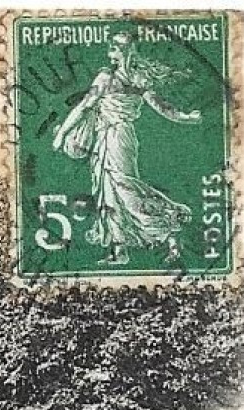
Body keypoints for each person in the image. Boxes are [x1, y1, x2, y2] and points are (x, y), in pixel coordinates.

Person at [51, 32, 202, 266]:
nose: (111, 52)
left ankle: (169, 224)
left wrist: (61, 134)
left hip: (116, 138)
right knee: (108, 191)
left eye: (113, 48)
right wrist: (185, 118)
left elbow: (83, 107)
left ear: (118, 52)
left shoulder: (110, 78)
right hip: (113, 137)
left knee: (124, 189)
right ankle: (119, 251)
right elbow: (163, 108)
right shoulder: (134, 78)